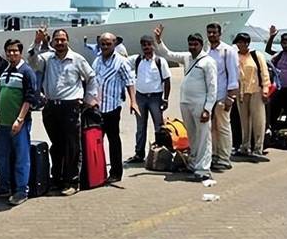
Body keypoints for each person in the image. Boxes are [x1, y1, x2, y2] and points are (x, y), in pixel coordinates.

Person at [28, 28, 97, 196]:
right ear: (52, 42)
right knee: (57, 145)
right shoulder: (47, 58)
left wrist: (89, 99)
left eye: (62, 40)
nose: (59, 42)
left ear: (67, 41)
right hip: (51, 107)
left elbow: (91, 77)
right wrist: (37, 42)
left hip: (70, 107)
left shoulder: (77, 59)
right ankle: (57, 179)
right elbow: (32, 61)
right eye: (56, 40)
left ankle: (72, 181)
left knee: (72, 146)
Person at [154, 24, 217, 182]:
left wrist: (208, 109)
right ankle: (194, 164)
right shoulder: (186, 57)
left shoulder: (208, 62)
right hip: (185, 103)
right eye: (190, 44)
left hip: (200, 104)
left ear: (201, 45)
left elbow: (212, 87)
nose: (192, 47)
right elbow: (168, 54)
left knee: (203, 137)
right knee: (192, 136)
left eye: (195, 44)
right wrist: (158, 40)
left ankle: (203, 169)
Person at [0, 39, 37, 206]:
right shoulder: (4, 71)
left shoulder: (27, 72)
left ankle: (21, 190)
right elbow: (0, 95)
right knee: (0, 155)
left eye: (15, 50)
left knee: (21, 157)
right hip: (3, 123)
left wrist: (20, 119)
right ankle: (4, 185)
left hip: (19, 124)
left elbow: (30, 98)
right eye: (9, 51)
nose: (11, 53)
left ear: (20, 52)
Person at [91, 33, 138, 182]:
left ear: (114, 44)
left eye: (108, 44)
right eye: (103, 44)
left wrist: (133, 102)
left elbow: (129, 81)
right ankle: (97, 172)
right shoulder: (97, 60)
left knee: (113, 140)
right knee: (95, 141)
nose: (105, 47)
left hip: (112, 107)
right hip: (97, 107)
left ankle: (116, 173)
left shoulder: (121, 62)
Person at [126, 35, 171, 164]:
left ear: (153, 46)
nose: (146, 47)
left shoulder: (160, 61)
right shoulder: (137, 60)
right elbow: (122, 62)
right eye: (144, 45)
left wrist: (166, 99)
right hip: (140, 97)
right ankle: (139, 154)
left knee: (159, 126)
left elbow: (167, 80)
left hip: (155, 98)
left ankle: (160, 154)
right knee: (140, 127)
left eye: (149, 44)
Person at [205, 22, 239, 172]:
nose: (212, 35)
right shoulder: (207, 51)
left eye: (214, 32)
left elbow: (233, 75)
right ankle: (214, 155)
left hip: (222, 96)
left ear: (220, 33)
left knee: (223, 127)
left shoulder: (228, 51)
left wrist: (230, 97)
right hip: (209, 97)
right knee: (211, 128)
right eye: (209, 32)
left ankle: (224, 158)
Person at [232, 32, 271, 160]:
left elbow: (264, 72)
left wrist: (265, 89)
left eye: (242, 42)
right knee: (244, 121)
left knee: (258, 120)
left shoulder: (256, 55)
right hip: (241, 92)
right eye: (238, 42)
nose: (240, 45)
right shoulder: (235, 57)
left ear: (247, 43)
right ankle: (245, 146)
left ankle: (258, 148)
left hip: (256, 90)